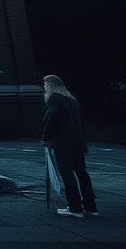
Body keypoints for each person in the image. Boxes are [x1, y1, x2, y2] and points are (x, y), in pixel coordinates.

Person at [40, 74, 97, 218]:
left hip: (63, 143)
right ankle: (91, 207)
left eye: (46, 85)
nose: (44, 88)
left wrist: (45, 137)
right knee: (82, 174)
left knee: (67, 174)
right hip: (77, 142)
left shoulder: (54, 99)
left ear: (50, 85)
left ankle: (75, 207)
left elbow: (53, 117)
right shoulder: (71, 100)